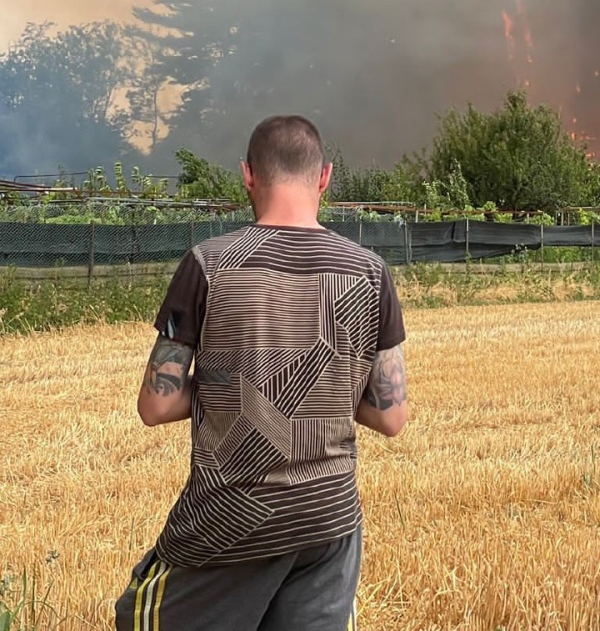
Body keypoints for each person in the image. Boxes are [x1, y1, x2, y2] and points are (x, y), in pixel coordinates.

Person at [115, 115, 409, 631]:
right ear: (324, 177)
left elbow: (156, 404)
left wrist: (230, 389)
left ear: (248, 175)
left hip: (233, 515)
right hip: (329, 519)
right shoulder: (369, 272)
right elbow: (390, 418)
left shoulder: (209, 264)